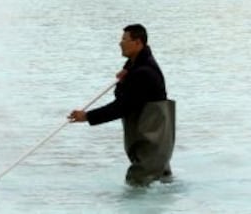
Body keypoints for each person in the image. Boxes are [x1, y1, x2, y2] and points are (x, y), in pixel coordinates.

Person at [68, 24, 175, 186]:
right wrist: (126, 77)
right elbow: (125, 97)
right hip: (155, 143)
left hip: (151, 141)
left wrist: (87, 116)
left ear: (138, 42)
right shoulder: (137, 67)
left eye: (125, 39)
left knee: (137, 186)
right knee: (159, 182)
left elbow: (121, 107)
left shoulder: (143, 72)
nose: (120, 43)